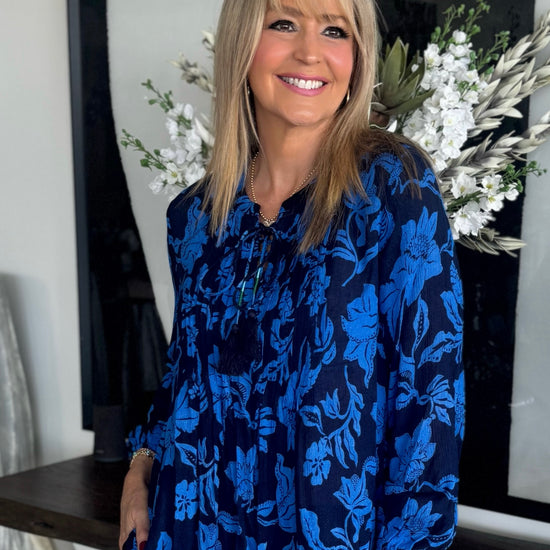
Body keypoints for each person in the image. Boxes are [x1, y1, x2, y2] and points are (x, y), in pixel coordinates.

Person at [119, 0, 464, 548]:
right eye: (283, 24)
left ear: (357, 57)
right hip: (191, 527)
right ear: (242, 46)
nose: (310, 52)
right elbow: (184, 375)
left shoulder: (392, 187)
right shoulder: (194, 216)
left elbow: (431, 402)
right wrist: (141, 465)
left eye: (335, 31)